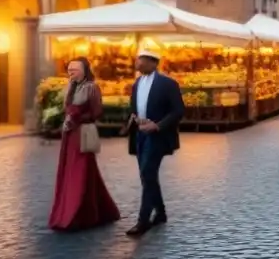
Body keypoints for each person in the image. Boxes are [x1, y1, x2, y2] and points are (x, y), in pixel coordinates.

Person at [48, 57, 120, 231]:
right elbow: (68, 110)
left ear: (85, 70)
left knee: (81, 171)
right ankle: (95, 211)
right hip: (70, 136)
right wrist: (68, 121)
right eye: (70, 69)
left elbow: (96, 112)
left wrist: (76, 120)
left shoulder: (91, 88)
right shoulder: (71, 87)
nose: (71, 72)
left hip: (82, 135)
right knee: (73, 171)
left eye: (75, 69)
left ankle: (76, 214)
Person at [125, 49, 184, 238]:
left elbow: (178, 111)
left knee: (147, 172)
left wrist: (157, 126)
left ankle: (143, 221)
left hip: (157, 135)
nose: (136, 63)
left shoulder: (168, 84)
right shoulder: (137, 83)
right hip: (140, 134)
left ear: (153, 62)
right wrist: (135, 117)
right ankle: (161, 213)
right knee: (147, 176)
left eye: (140, 60)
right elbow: (134, 106)